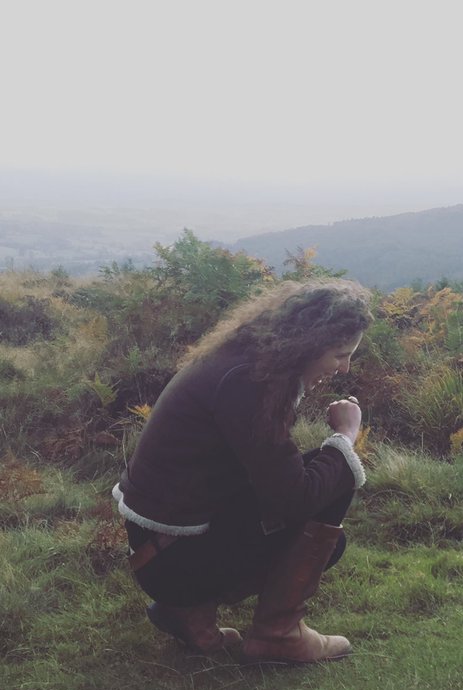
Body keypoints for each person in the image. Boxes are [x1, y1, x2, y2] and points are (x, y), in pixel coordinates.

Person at [112, 278, 373, 664]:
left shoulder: (244, 363)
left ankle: (188, 614)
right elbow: (294, 499)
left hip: (161, 550)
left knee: (327, 470)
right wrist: (346, 435)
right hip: (171, 562)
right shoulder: (249, 384)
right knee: (334, 480)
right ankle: (278, 635)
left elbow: (269, 478)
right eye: (339, 354)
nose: (345, 367)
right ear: (307, 344)